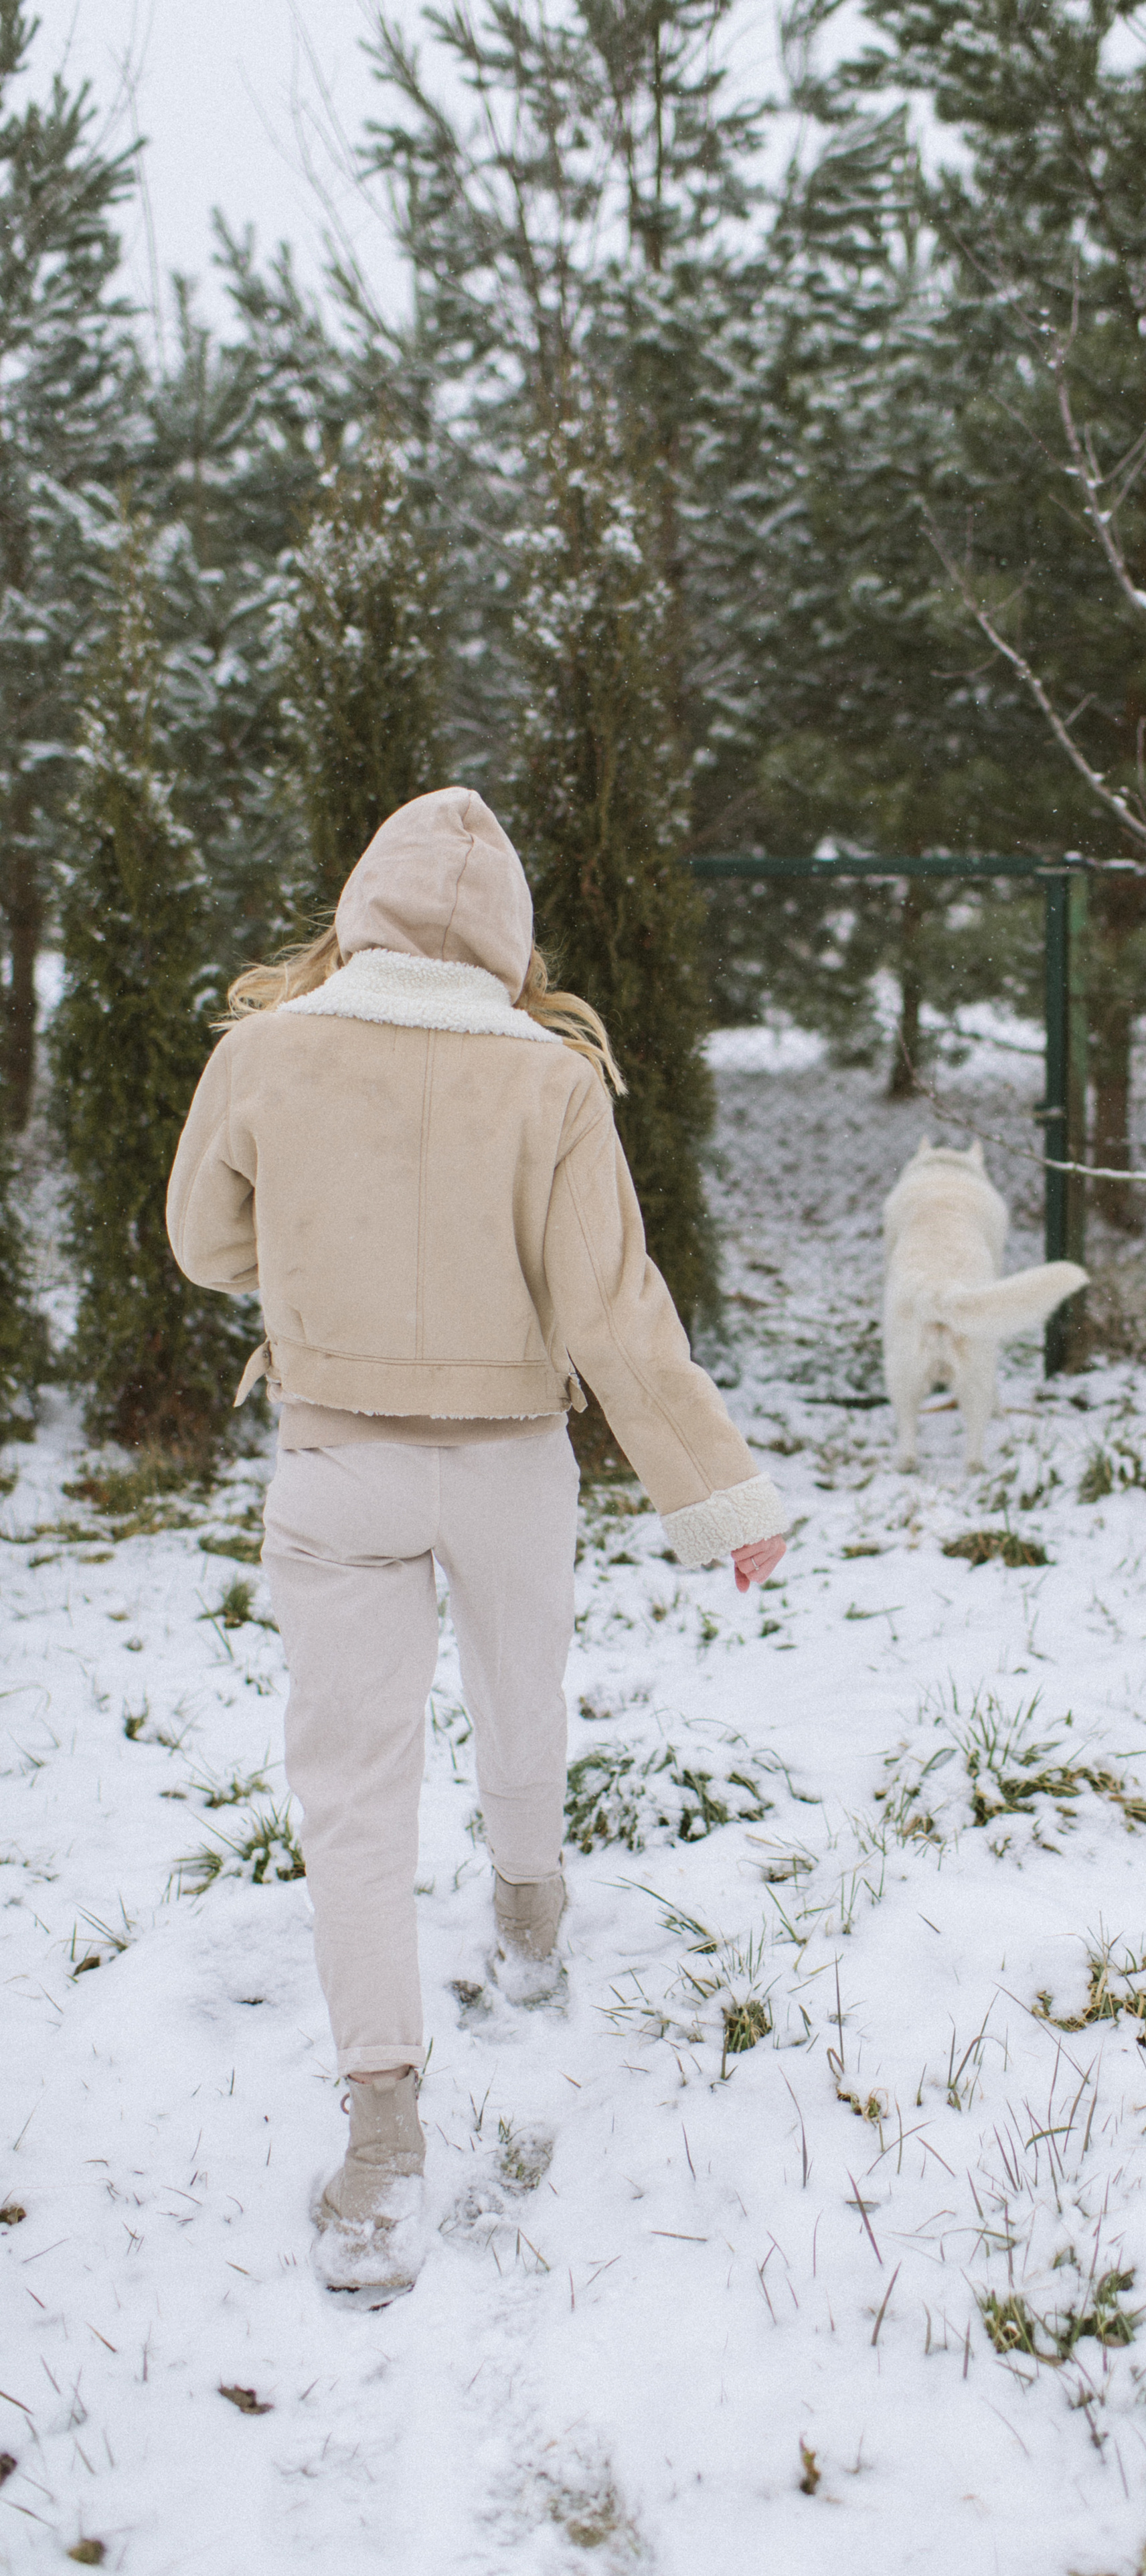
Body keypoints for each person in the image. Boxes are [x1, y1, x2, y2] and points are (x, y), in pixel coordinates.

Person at [166, 786, 787, 2295]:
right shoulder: (555, 1080)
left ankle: (381, 2146)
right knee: (522, 1705)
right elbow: (613, 1315)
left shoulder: (264, 1049)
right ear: (506, 936)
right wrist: (722, 1497)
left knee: (352, 1793)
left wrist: (318, 1257)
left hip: (334, 1457)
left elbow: (202, 1247)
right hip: (512, 1461)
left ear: (365, 905)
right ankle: (528, 1914)